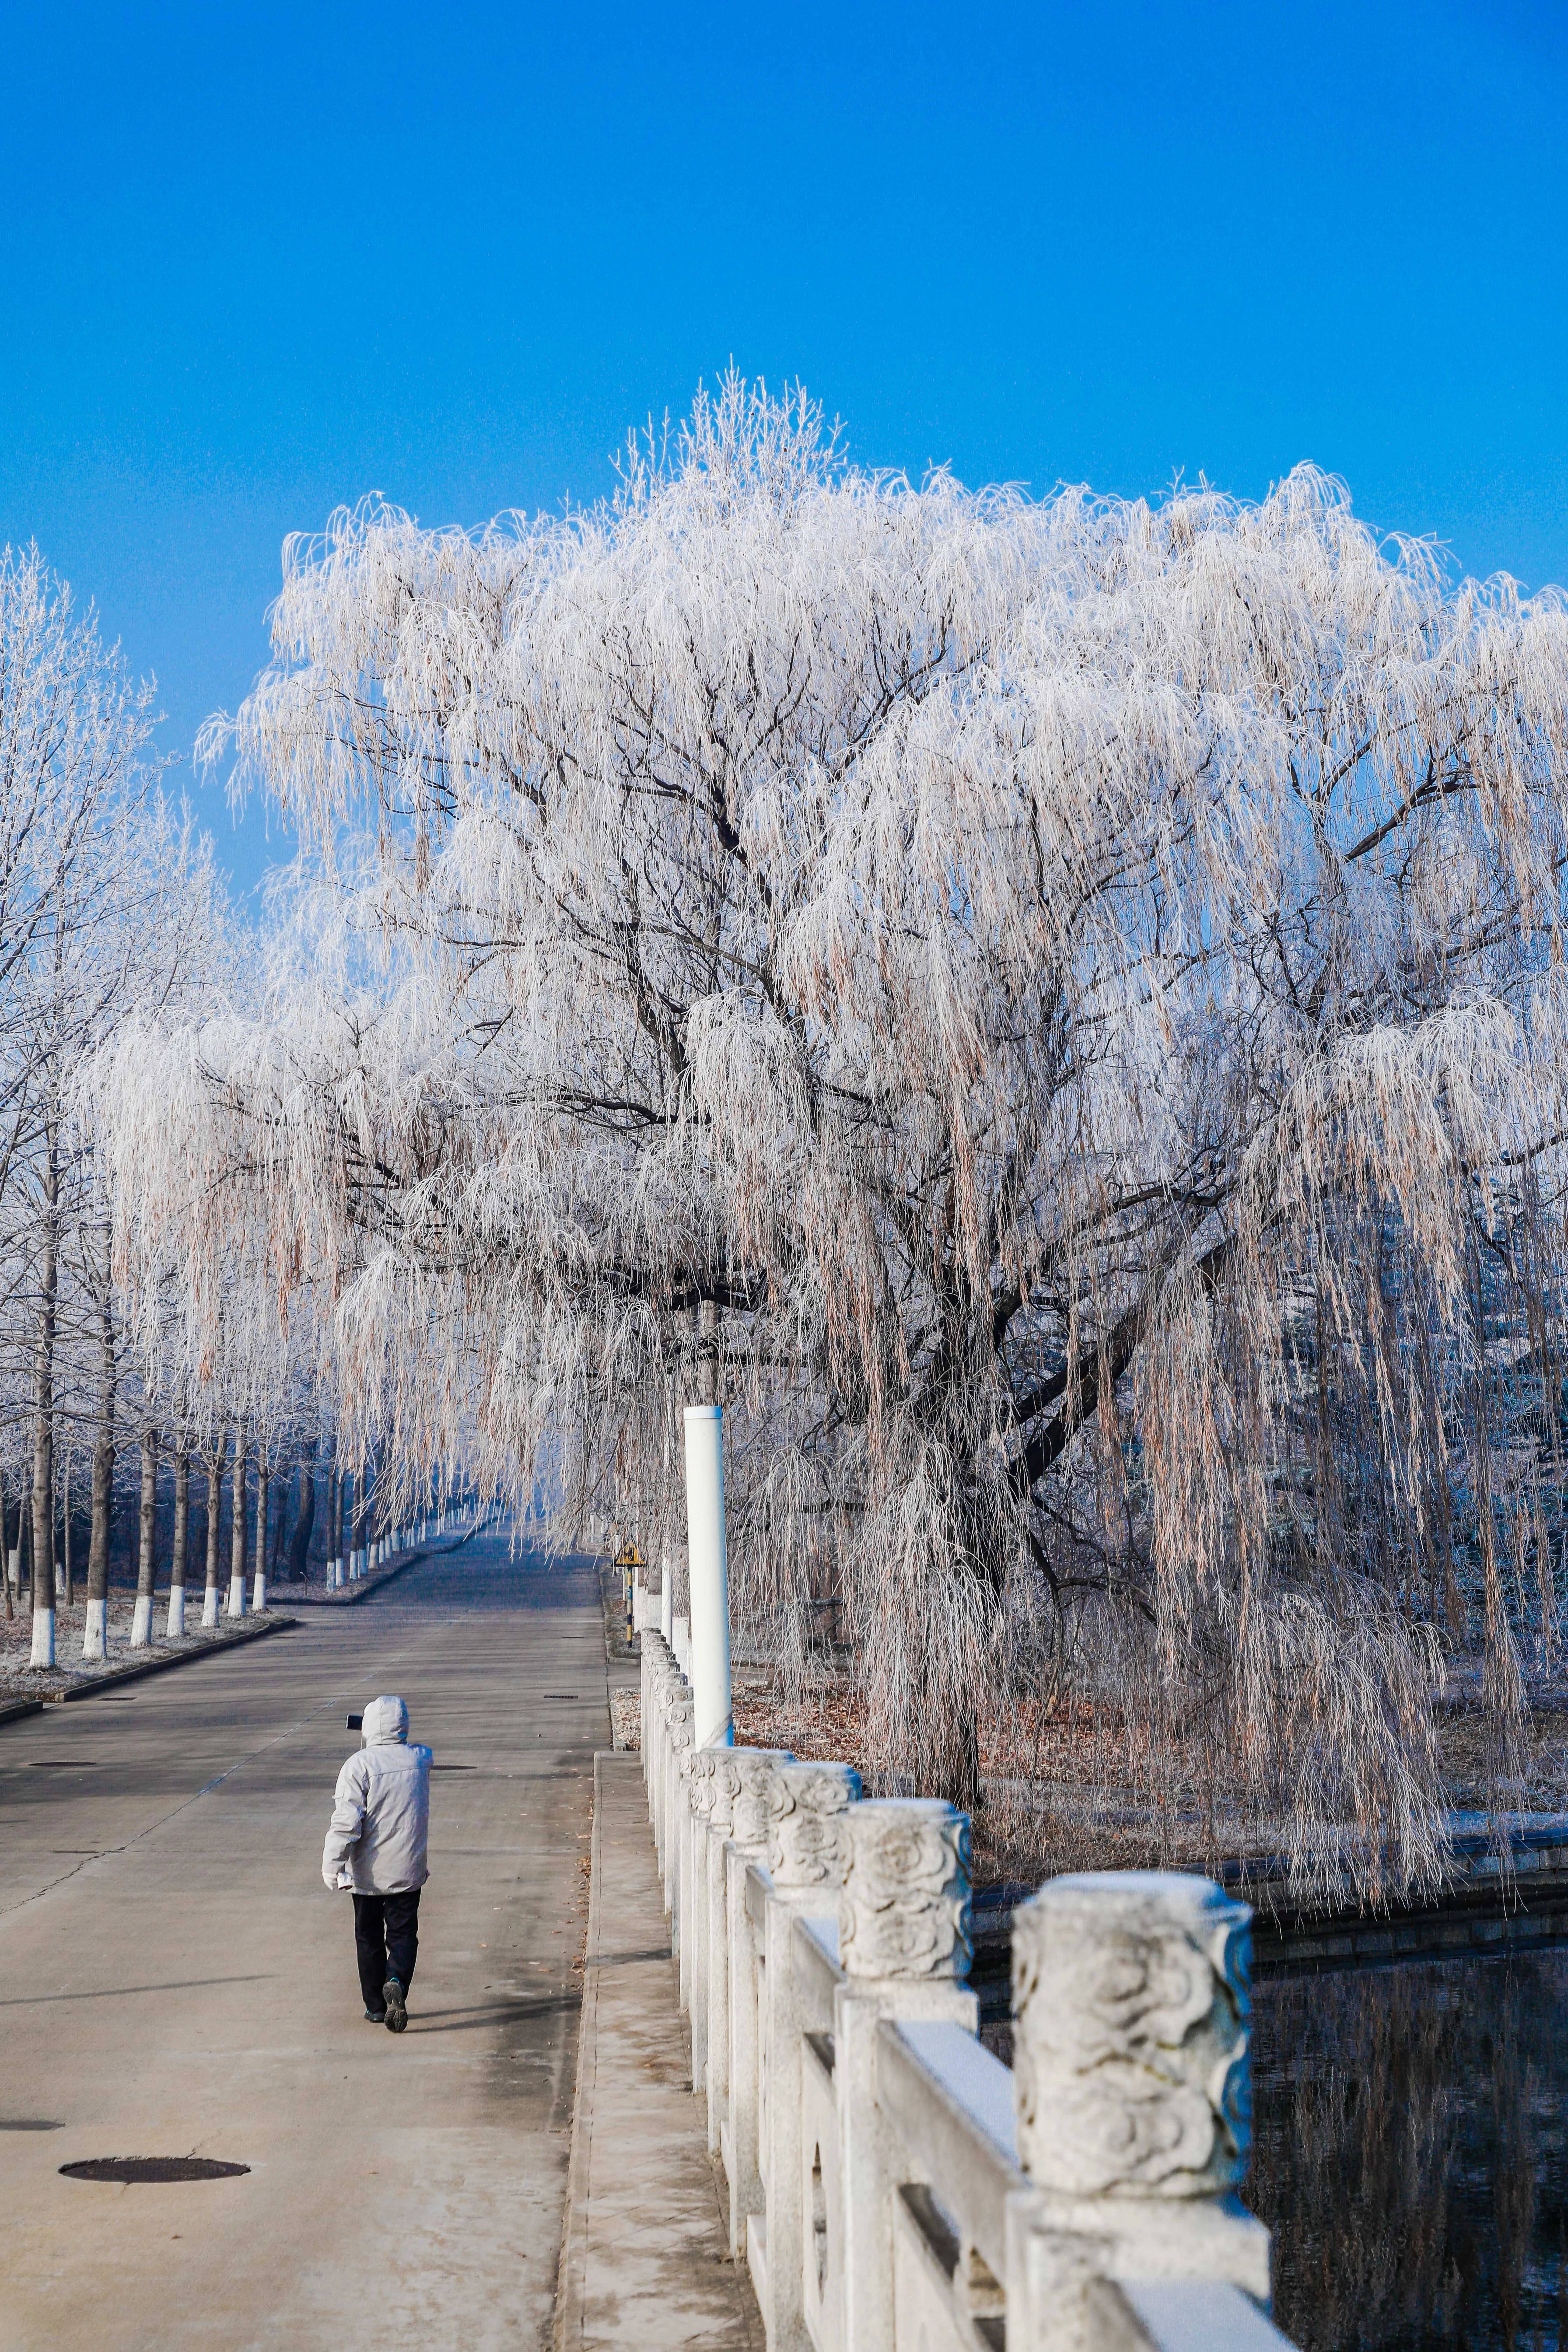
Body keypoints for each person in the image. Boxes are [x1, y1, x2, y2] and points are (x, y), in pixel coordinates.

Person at [322, 1694, 432, 2032]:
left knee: (368, 1936)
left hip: (367, 1872)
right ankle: (396, 1979)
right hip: (407, 1868)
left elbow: (346, 1821)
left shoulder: (358, 1766)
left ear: (369, 1726)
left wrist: (333, 1865)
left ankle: (374, 2005)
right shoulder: (420, 1758)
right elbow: (418, 1755)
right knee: (403, 1934)